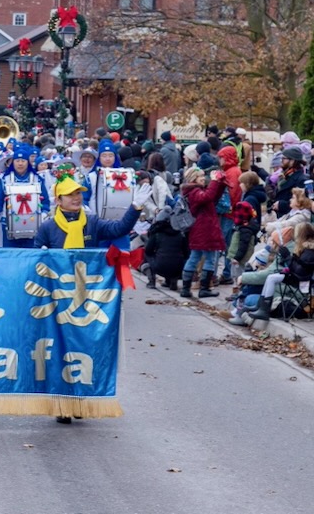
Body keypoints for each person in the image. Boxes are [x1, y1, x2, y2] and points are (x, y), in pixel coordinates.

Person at [33, 172, 152, 423]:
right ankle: (60, 403)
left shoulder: (93, 222)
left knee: (83, 347)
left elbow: (120, 228)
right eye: (70, 194)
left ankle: (78, 399)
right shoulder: (47, 227)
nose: (76, 198)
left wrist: (135, 207)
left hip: (86, 294)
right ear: (58, 200)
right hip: (58, 296)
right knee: (58, 349)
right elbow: (35, 260)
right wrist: (41, 256)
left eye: (79, 194)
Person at [178, 166, 229, 298]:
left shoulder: (192, 191)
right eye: (201, 177)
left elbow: (212, 198)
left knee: (194, 257)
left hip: (200, 229)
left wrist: (220, 184)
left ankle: (186, 288)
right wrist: (214, 181)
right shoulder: (194, 192)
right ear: (194, 178)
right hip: (204, 229)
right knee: (210, 258)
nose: (204, 179)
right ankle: (204, 288)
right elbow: (207, 197)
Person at [143, 205, 189, 290]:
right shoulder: (180, 234)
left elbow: (148, 251)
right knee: (178, 258)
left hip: (160, 266)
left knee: (147, 255)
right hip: (178, 268)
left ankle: (152, 281)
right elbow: (186, 253)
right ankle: (172, 280)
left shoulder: (156, 234)